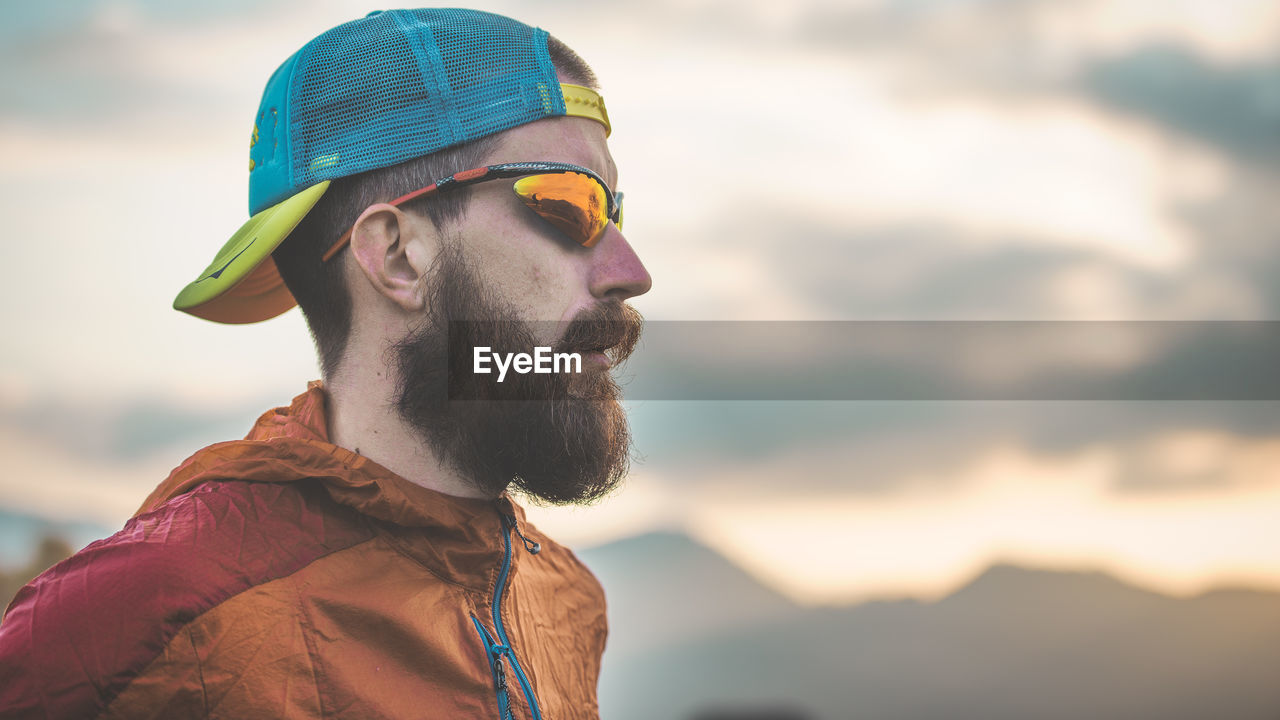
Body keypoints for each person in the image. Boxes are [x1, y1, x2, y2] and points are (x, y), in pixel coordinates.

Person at [0, 8, 650, 720]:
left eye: (615, 211)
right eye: (572, 207)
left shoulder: (566, 601)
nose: (630, 270)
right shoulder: (148, 618)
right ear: (398, 255)